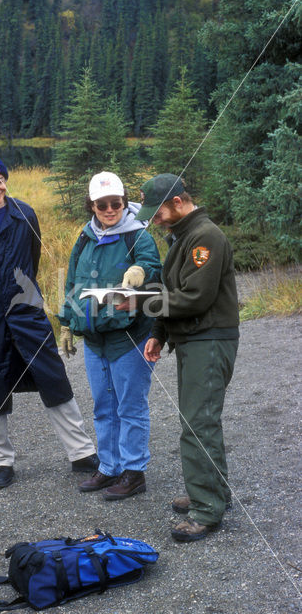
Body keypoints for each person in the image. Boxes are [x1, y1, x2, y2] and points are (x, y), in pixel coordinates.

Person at [0, 146, 98, 489]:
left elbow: (33, 258)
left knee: (54, 379)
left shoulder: (25, 214)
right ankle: (1, 463)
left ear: (5, 179)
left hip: (26, 313)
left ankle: (82, 453)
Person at [134, 173, 239, 541]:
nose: (155, 219)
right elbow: (172, 291)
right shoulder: (183, 236)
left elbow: (195, 298)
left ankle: (207, 511)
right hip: (194, 340)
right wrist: (158, 334)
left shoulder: (204, 237)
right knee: (200, 420)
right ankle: (214, 493)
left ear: (178, 202)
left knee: (197, 424)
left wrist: (139, 302)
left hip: (209, 341)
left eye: (158, 211)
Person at [58, 171, 162, 500]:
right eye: (101, 204)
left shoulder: (137, 234)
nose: (109, 209)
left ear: (123, 201)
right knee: (103, 405)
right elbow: (73, 281)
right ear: (92, 205)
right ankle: (109, 466)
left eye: (115, 203)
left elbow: (153, 265)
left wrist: (140, 271)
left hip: (129, 336)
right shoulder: (86, 237)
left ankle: (134, 472)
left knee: (130, 406)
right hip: (94, 337)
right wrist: (66, 323)